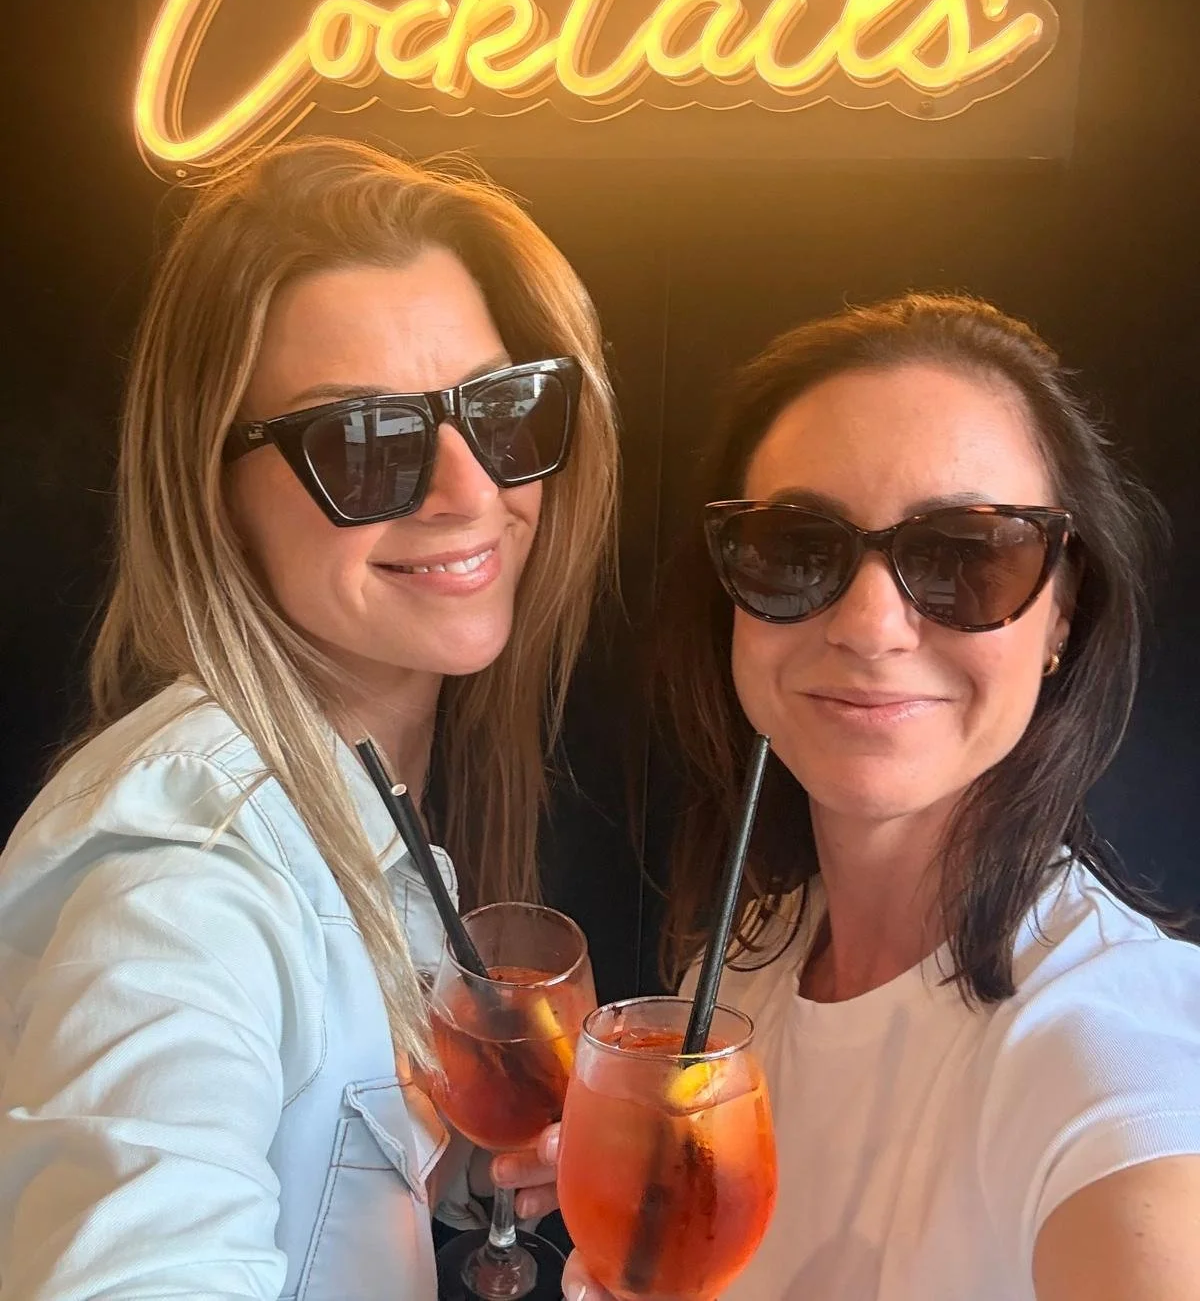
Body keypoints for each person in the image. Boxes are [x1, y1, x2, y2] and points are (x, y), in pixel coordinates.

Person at [0, 137, 618, 1301]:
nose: (473, 491)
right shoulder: (189, 868)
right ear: (211, 491)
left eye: (499, 410)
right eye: (364, 441)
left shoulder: (358, 818)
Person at [563, 292, 1200, 1301]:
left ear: (1064, 611)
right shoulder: (746, 957)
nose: (868, 626)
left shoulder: (1107, 1040)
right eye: (794, 547)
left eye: (966, 555)